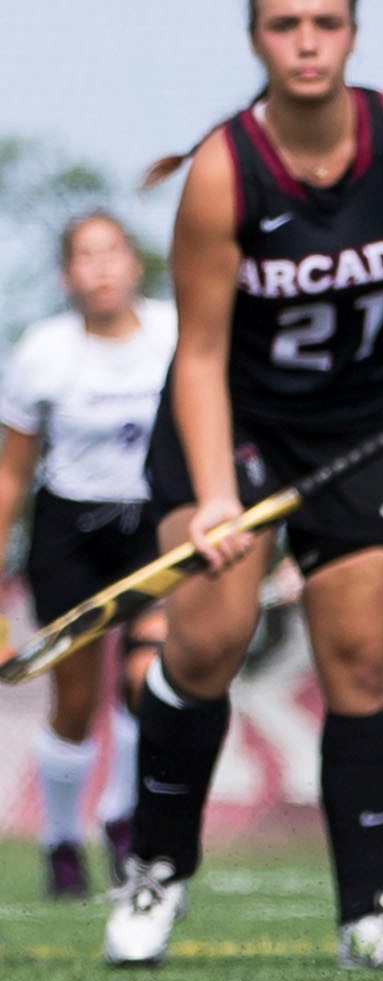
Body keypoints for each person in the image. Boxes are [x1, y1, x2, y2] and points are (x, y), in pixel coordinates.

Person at [104, 0, 383, 971]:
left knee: (361, 667)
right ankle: (157, 867)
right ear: (255, 38)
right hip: (234, 421)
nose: (306, 41)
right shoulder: (223, 171)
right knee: (207, 640)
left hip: (367, 421)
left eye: (326, 22)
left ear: (353, 33)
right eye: (284, 23)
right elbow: (199, 355)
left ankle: (369, 911)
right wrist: (212, 494)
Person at [0, 213, 172, 900]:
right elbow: (14, 472)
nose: (100, 268)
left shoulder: (173, 334)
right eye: (85, 257)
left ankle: (123, 819)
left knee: (149, 676)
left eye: (111, 254)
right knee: (76, 700)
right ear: (67, 276)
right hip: (69, 530)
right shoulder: (43, 352)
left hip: (154, 523)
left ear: (134, 265)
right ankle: (61, 842)